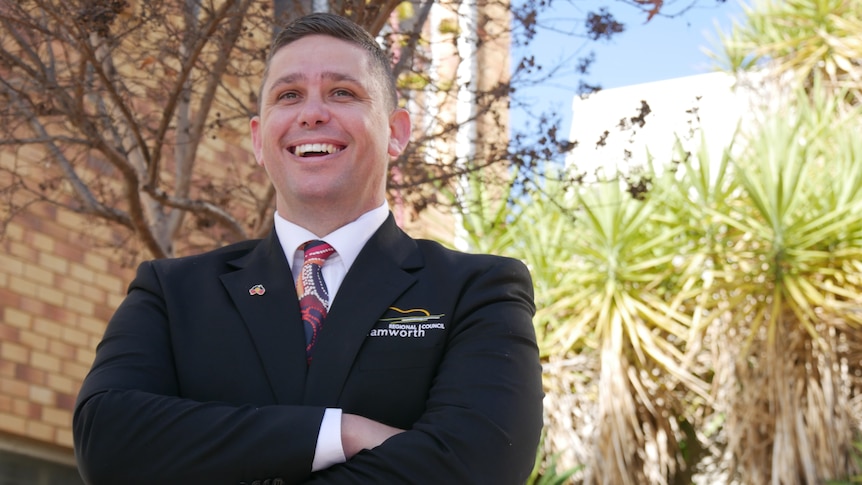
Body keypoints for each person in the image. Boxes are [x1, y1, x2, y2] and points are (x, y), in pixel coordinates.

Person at [73, 12, 544, 485]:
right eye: (288, 95)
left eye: (343, 92)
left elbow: (478, 466)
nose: (312, 113)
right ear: (260, 140)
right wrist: (340, 432)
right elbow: (107, 441)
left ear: (396, 133)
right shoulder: (172, 293)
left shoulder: (477, 290)